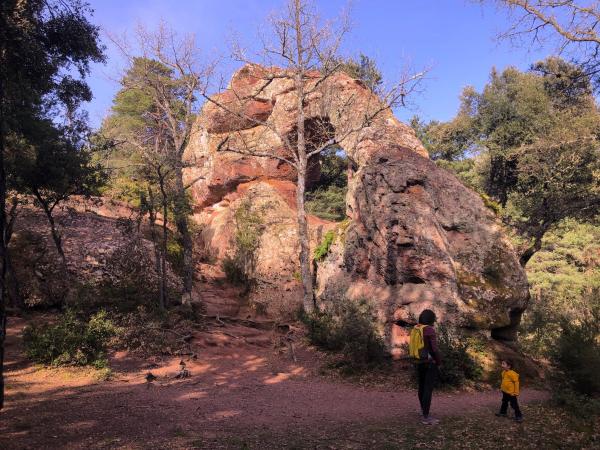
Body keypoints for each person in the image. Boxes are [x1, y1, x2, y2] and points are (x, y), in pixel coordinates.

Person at [414, 309, 442, 425]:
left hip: (418, 361)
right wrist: (439, 361)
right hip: (429, 363)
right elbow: (434, 349)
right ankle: (426, 417)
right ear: (431, 319)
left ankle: (423, 410)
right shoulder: (429, 330)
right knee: (428, 389)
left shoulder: (417, 328)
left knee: (421, 386)